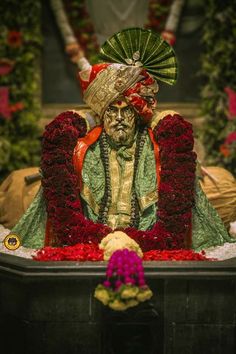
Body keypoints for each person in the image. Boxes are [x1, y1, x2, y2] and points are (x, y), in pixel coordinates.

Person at [12, 28, 235, 251]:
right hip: (88, 244)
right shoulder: (84, 149)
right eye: (111, 110)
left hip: (151, 245)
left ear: (138, 114)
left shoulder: (154, 146)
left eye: (126, 110)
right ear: (101, 113)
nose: (119, 118)